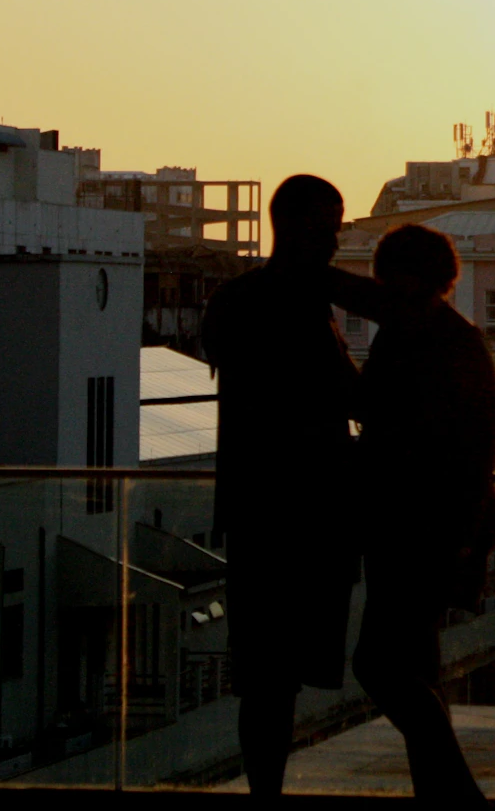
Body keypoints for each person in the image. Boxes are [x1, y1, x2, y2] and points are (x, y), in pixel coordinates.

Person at [201, 175, 363, 796]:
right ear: (297, 226)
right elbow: (350, 394)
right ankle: (268, 792)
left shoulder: (237, 299)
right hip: (304, 512)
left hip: (256, 510)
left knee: (266, 676)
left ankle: (265, 792)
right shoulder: (300, 306)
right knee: (281, 674)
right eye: (328, 226)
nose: (334, 238)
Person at [331, 224, 495, 807]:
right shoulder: (444, 337)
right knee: (415, 664)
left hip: (416, 524)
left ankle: (454, 790)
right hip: (424, 524)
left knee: (379, 663)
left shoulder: (419, 335)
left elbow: (465, 448)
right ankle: (442, 792)